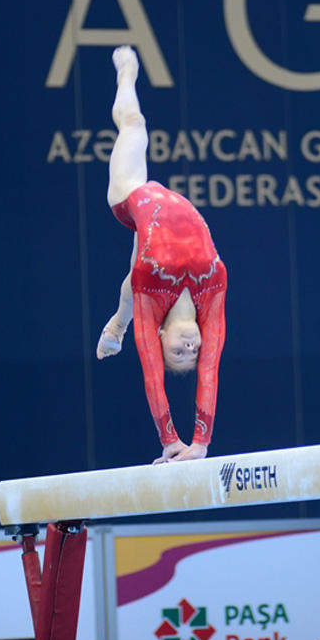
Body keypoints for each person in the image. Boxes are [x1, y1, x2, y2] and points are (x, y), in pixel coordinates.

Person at [95, 46, 228, 464]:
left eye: (177, 352)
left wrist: (171, 440)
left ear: (160, 338)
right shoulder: (214, 290)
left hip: (131, 196)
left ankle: (127, 73)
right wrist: (201, 444)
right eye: (192, 351)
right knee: (134, 276)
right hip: (157, 240)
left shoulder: (150, 302)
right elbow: (211, 368)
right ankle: (116, 324)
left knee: (133, 124)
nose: (190, 348)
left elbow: (153, 375)